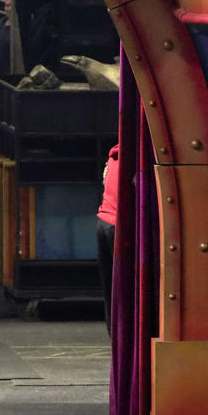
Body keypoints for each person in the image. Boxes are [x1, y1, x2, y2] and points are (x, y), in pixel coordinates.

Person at [97, 143, 119, 335]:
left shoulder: (113, 156)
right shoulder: (134, 160)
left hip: (103, 220)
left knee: (110, 290)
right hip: (116, 225)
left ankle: (114, 337)